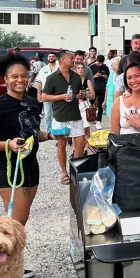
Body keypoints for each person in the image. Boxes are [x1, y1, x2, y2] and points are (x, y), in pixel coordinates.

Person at [0, 53, 55, 278]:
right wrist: (8, 144)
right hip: (8, 168)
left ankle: (11, 269)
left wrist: (51, 135)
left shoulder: (31, 102)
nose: (20, 80)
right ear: (5, 78)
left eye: (24, 75)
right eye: (14, 76)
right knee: (14, 225)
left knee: (19, 224)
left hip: (30, 167)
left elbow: (33, 133)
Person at [42, 50, 87, 185]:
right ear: (62, 60)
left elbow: (81, 93)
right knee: (61, 144)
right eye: (71, 58)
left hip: (75, 115)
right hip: (60, 117)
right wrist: (61, 96)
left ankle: (75, 169)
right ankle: (64, 172)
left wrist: (81, 95)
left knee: (81, 143)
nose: (74, 60)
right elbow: (44, 97)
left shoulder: (76, 77)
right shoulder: (52, 78)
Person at [35, 52, 59, 132]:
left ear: (56, 58)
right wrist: (39, 94)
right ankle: (49, 131)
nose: (51, 57)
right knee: (47, 114)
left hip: (58, 94)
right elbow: (39, 82)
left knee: (58, 113)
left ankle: (58, 128)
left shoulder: (60, 68)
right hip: (46, 93)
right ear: (47, 58)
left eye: (53, 56)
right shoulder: (43, 69)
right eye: (49, 56)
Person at [74, 61, 96, 138]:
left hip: (84, 105)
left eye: (82, 68)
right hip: (74, 106)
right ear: (75, 70)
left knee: (86, 128)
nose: (81, 70)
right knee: (75, 130)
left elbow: (93, 95)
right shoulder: (71, 81)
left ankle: (86, 147)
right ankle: (75, 149)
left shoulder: (88, 81)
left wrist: (85, 95)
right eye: (78, 68)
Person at [90, 55, 110, 130]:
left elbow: (108, 77)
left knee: (101, 105)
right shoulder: (92, 67)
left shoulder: (105, 67)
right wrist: (95, 76)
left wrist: (105, 77)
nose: (100, 64)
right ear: (96, 60)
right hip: (93, 88)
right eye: (98, 63)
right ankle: (90, 117)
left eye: (101, 63)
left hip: (102, 88)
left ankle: (99, 121)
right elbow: (88, 78)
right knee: (89, 104)